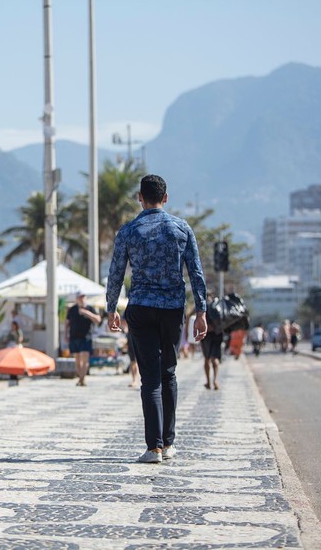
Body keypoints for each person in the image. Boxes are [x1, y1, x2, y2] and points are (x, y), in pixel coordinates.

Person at [106, 174, 207, 464]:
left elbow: (116, 274)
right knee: (169, 372)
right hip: (172, 308)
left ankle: (154, 448)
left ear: (140, 197)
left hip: (140, 306)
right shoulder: (181, 228)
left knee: (149, 378)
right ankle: (170, 442)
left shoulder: (128, 231)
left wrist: (111, 308)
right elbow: (196, 273)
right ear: (165, 198)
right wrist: (201, 312)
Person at [64, 291, 101, 386]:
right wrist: (65, 335)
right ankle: (81, 379)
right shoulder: (72, 309)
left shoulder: (90, 308)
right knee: (77, 360)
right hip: (74, 337)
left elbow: (98, 320)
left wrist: (87, 313)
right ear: (76, 299)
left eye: (83, 297)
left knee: (85, 359)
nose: (82, 299)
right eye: (80, 297)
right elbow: (67, 323)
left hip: (86, 337)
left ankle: (82, 379)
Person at [202, 291, 224, 390]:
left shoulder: (202, 304)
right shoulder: (217, 306)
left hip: (205, 334)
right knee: (215, 358)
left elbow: (189, 315)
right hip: (218, 334)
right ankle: (215, 380)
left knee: (207, 358)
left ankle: (208, 382)